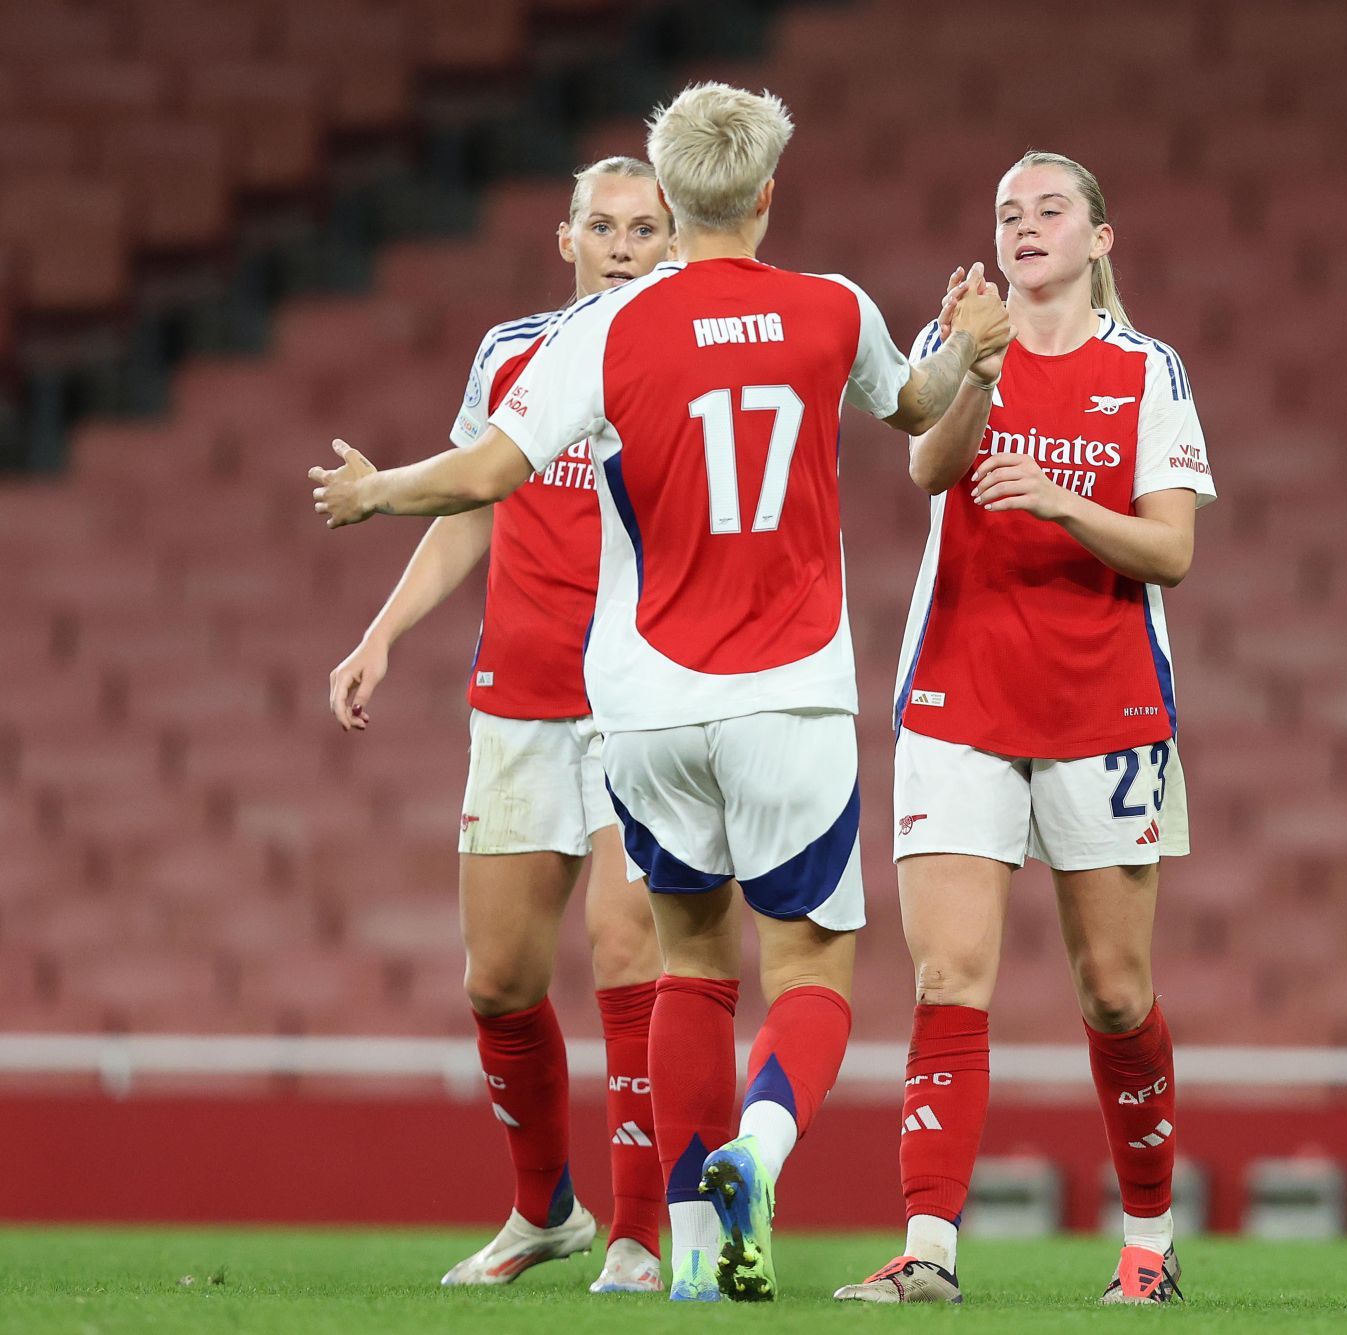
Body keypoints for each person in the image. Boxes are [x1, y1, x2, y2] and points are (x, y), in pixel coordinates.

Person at [308, 82, 1012, 1303]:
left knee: (689, 965)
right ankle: (761, 1148)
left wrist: (377, 493)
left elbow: (487, 469)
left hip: (640, 703)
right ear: (769, 195)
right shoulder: (832, 308)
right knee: (811, 972)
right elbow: (919, 411)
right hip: (787, 697)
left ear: (673, 207)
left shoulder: (601, 333)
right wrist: (973, 348)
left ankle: (684, 1255)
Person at [833, 151, 1215, 1307]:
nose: (1026, 225)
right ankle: (929, 1250)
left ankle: (1147, 1245)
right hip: (960, 694)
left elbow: (1173, 553)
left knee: (1112, 989)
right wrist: (979, 369)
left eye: (1052, 209)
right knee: (951, 975)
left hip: (1106, 708)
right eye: (1008, 213)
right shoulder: (964, 342)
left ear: (1101, 239)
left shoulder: (1147, 370)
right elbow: (926, 470)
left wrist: (1056, 499)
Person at [323, 156, 677, 1294]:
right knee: (499, 982)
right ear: (563, 237)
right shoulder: (510, 352)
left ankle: (636, 1233)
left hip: (638, 700)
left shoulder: (681, 353)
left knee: (628, 956)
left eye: (645, 228)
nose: (622, 245)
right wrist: (383, 633)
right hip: (519, 696)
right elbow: (476, 498)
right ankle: (546, 1212)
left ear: (675, 241)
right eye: (603, 226)